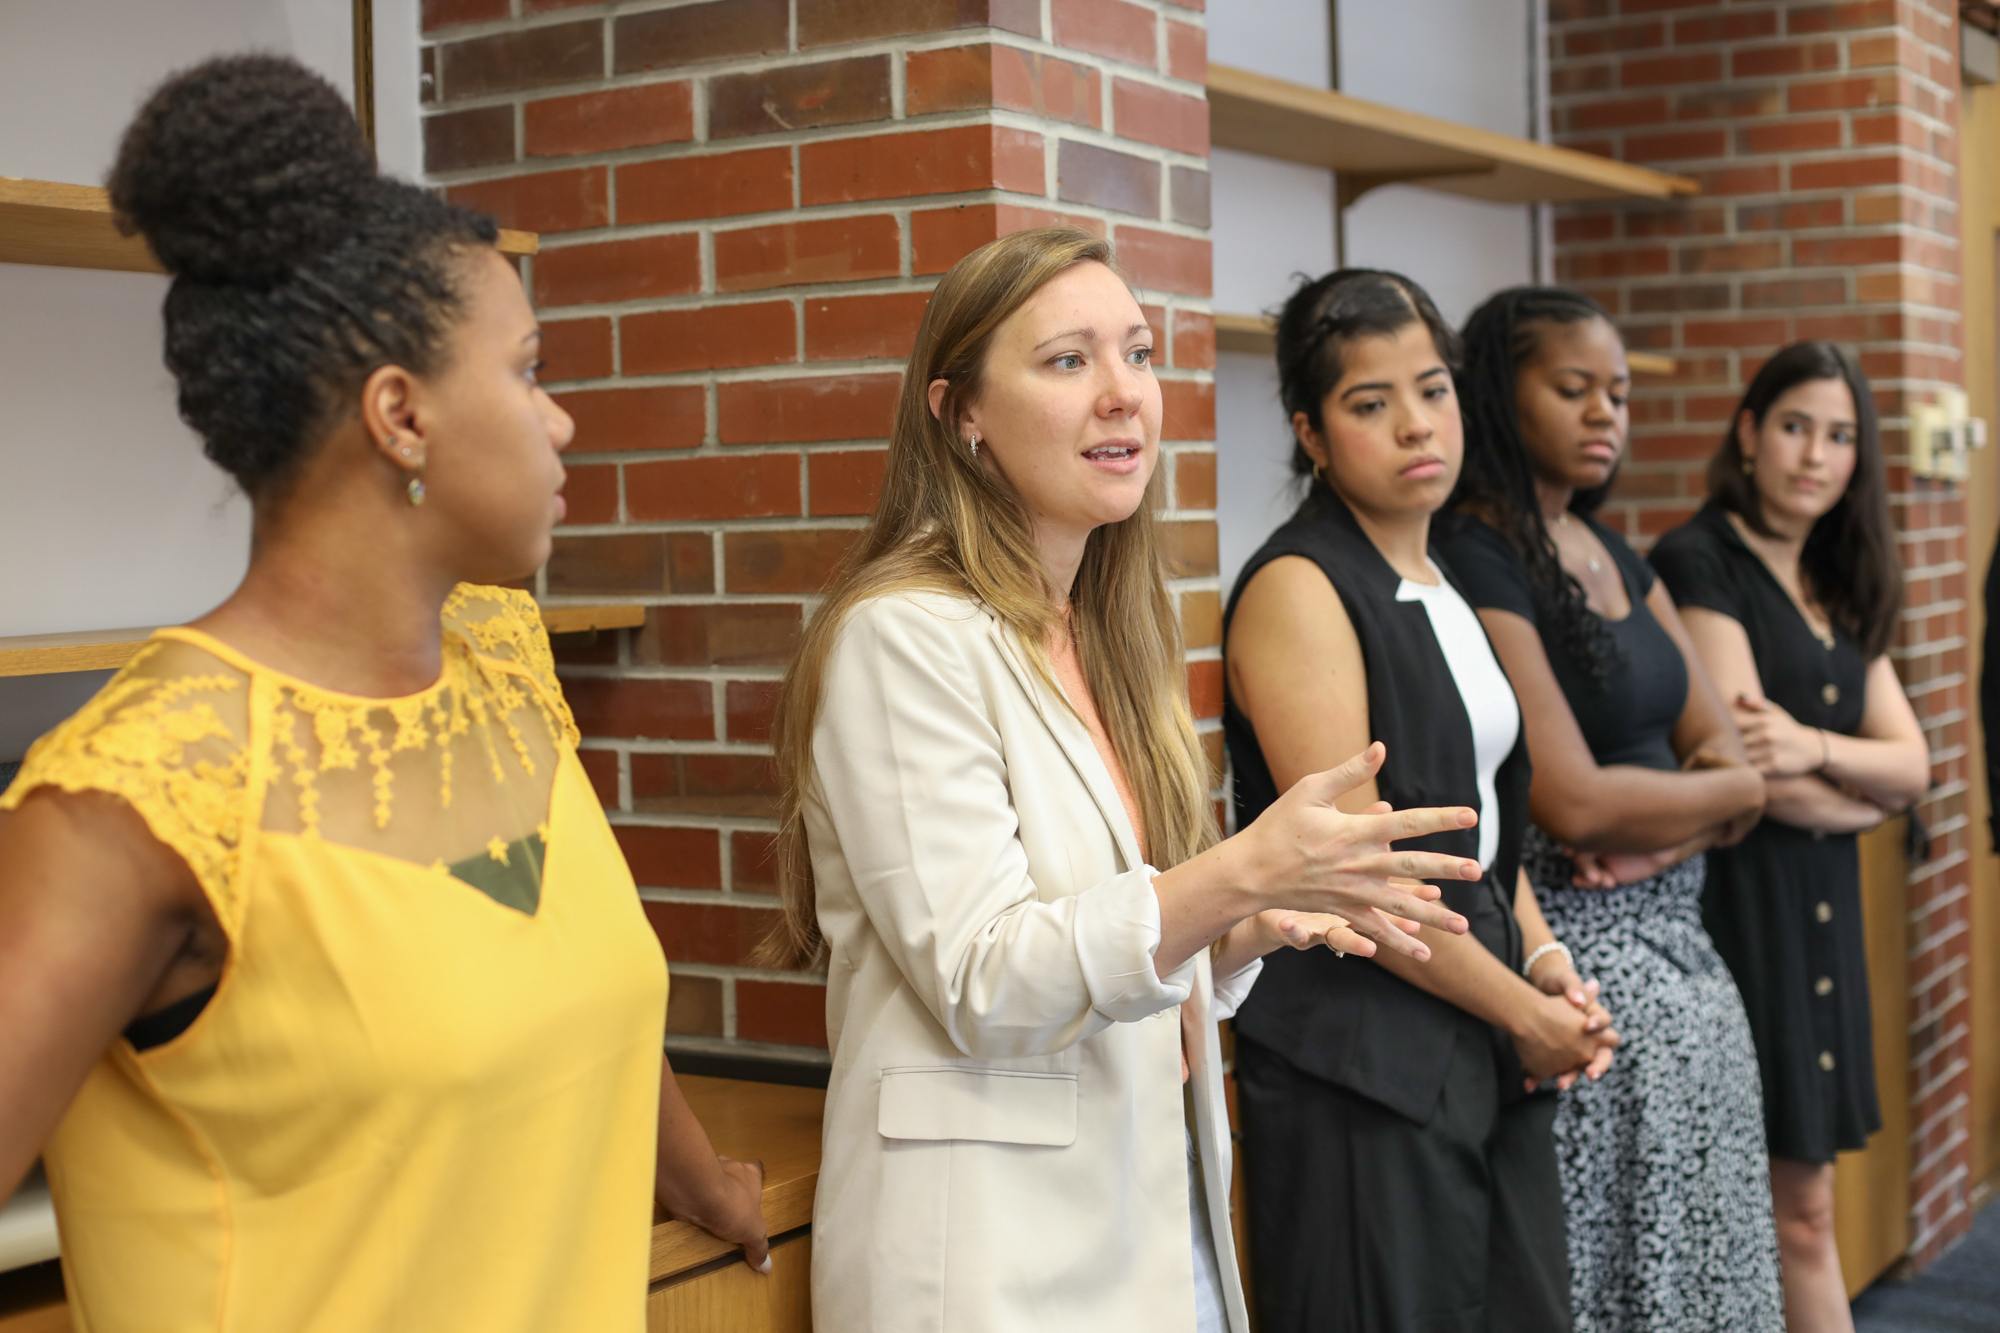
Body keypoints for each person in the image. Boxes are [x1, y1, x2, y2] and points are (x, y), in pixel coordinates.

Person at [0, 57, 765, 1333]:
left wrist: (698, 1176)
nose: (560, 421)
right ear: (400, 417)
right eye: (526, 371)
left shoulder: (504, 665)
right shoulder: (136, 794)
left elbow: (564, 994)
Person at [768, 227, 1489, 1333]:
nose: (1122, 396)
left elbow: (1118, 950)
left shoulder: (1108, 628)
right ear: (958, 412)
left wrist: (1255, 918)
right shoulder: (900, 636)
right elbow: (984, 978)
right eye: (1067, 362)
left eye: (1138, 354)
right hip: (990, 1260)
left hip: (1153, 1223)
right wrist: (1238, 869)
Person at [1223, 268, 1618, 1333]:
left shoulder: (1444, 573)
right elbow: (1353, 874)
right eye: (1368, 403)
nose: (1414, 424)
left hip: (1477, 1016)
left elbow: (1490, 820)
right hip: (1367, 1058)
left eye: (1431, 389)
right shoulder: (1297, 587)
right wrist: (1522, 1011)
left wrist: (1545, 968)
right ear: (1309, 432)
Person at [1434, 286, 1785, 1331]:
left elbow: (1737, 761)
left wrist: (1673, 821)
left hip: (1685, 952)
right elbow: (1571, 802)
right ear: (1501, 395)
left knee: (1707, 1272)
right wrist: (1707, 802)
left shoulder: (1611, 548)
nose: (1605, 415)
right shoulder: (1475, 550)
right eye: (1573, 388)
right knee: (1612, 1281)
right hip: (1580, 981)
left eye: (1619, 395)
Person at [1650, 342, 1928, 1333]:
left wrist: (1814, 744)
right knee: (1781, 1214)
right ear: (1747, 434)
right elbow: (1747, 776)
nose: (1814, 454)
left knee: (1799, 1208)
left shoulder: (1835, 572)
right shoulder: (1697, 557)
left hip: (1821, 918)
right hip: (1739, 915)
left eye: (1839, 435)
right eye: (1794, 426)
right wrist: (1859, 784)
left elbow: (1915, 766)